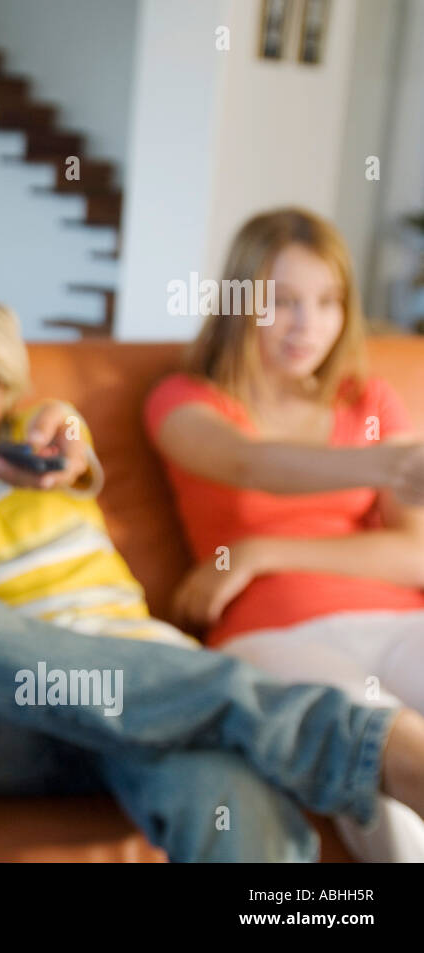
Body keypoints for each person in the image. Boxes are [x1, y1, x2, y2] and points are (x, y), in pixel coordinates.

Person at [0, 296, 424, 862]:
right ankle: (357, 745)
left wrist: (62, 441)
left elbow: (64, 431)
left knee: (225, 791)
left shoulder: (38, 436)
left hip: (140, 689)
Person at [145, 206, 424, 861]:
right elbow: (249, 462)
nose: (308, 325)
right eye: (284, 301)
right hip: (272, 631)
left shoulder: (370, 402)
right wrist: (386, 461)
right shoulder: (185, 400)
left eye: (328, 302)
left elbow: (416, 553)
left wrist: (261, 549)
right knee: (378, 740)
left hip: (395, 620)